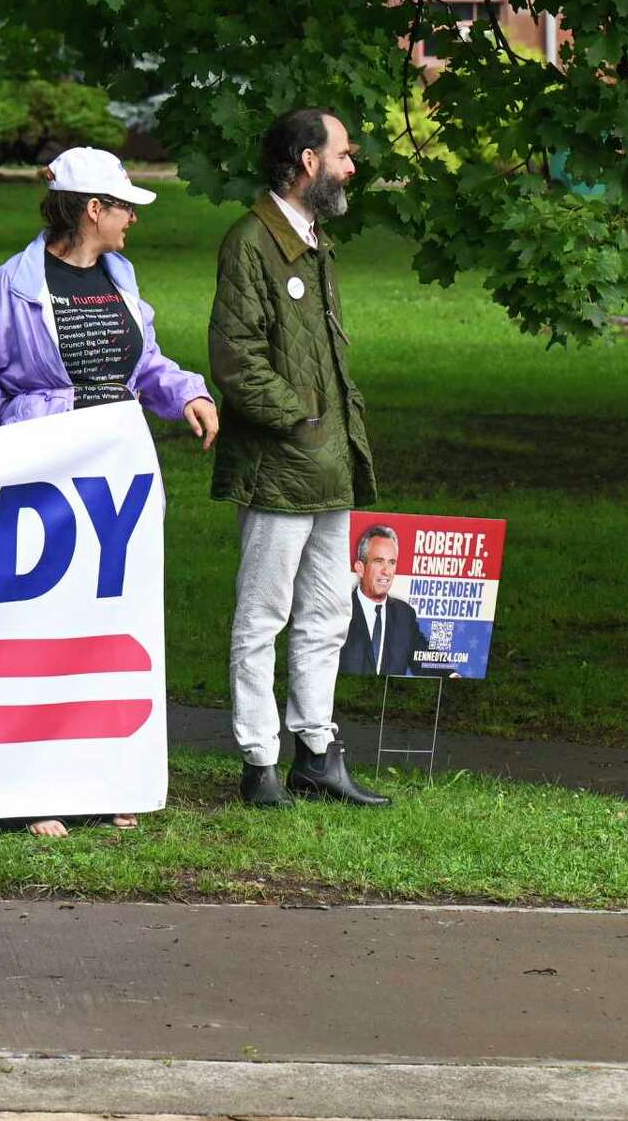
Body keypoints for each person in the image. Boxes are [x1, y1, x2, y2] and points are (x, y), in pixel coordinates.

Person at [0, 145, 217, 837]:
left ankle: (109, 775)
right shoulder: (11, 287)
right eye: (124, 207)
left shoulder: (120, 274)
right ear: (92, 210)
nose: (132, 220)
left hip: (115, 479)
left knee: (112, 625)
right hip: (45, 486)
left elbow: (145, 362)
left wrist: (186, 392)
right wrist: (23, 439)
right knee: (42, 629)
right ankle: (37, 786)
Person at [209, 108, 389, 808]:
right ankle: (259, 763)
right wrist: (302, 420)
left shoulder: (314, 242)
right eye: (343, 154)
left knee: (326, 614)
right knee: (262, 616)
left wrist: (326, 433)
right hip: (282, 465)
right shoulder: (253, 242)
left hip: (328, 463)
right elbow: (235, 357)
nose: (352, 166)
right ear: (308, 161)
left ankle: (316, 753)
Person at [339, 524, 431, 677]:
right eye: (379, 561)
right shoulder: (338, 609)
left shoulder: (405, 615)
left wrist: (452, 676)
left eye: (392, 562)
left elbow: (425, 658)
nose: (387, 571)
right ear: (360, 568)